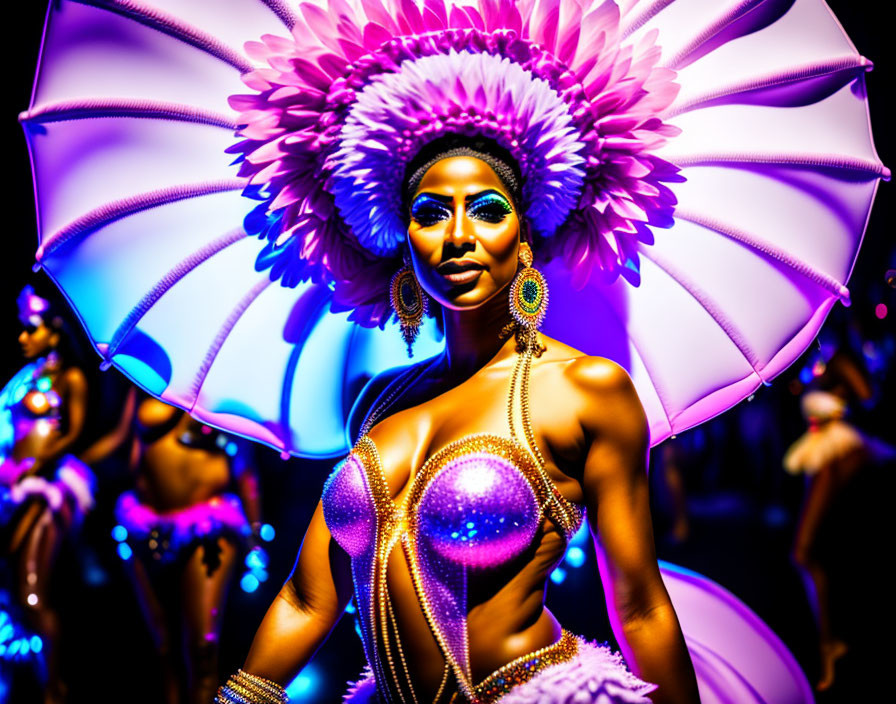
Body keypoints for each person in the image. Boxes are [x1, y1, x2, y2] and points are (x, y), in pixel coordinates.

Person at [82, 388, 264, 704]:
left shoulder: (228, 383)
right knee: (162, 648)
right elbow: (121, 439)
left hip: (208, 526)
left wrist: (256, 530)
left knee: (202, 647)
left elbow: (246, 469)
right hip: (144, 523)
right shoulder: (147, 374)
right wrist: (70, 466)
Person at [0, 286, 94, 704]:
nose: (22, 338)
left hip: (51, 485)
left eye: (31, 329)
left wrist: (39, 464)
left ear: (54, 331)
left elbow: (75, 431)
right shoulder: (21, 381)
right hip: (12, 487)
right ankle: (26, 684)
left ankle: (55, 689)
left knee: (31, 589)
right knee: (11, 590)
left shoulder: (70, 378)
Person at [785, 341, 894, 691]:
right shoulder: (817, 360)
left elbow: (868, 395)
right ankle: (829, 641)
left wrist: (839, 397)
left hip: (837, 449)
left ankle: (830, 643)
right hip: (820, 450)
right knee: (817, 549)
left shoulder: (840, 358)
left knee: (804, 551)